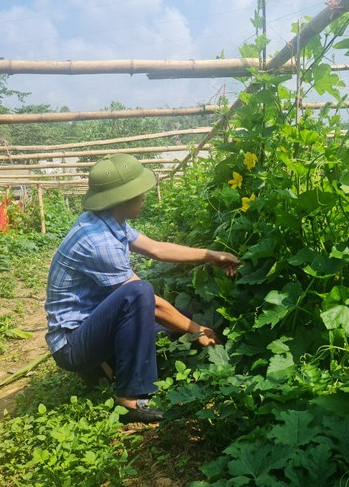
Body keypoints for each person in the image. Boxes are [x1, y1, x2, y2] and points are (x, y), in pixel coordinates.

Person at [44, 154, 240, 423]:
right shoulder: (99, 241)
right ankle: (130, 400)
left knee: (178, 318)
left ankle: (105, 367)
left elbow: (157, 249)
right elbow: (148, 302)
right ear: (121, 199)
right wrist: (199, 331)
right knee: (140, 294)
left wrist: (210, 255)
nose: (145, 197)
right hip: (72, 344)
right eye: (140, 193)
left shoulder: (109, 222)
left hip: (90, 327)